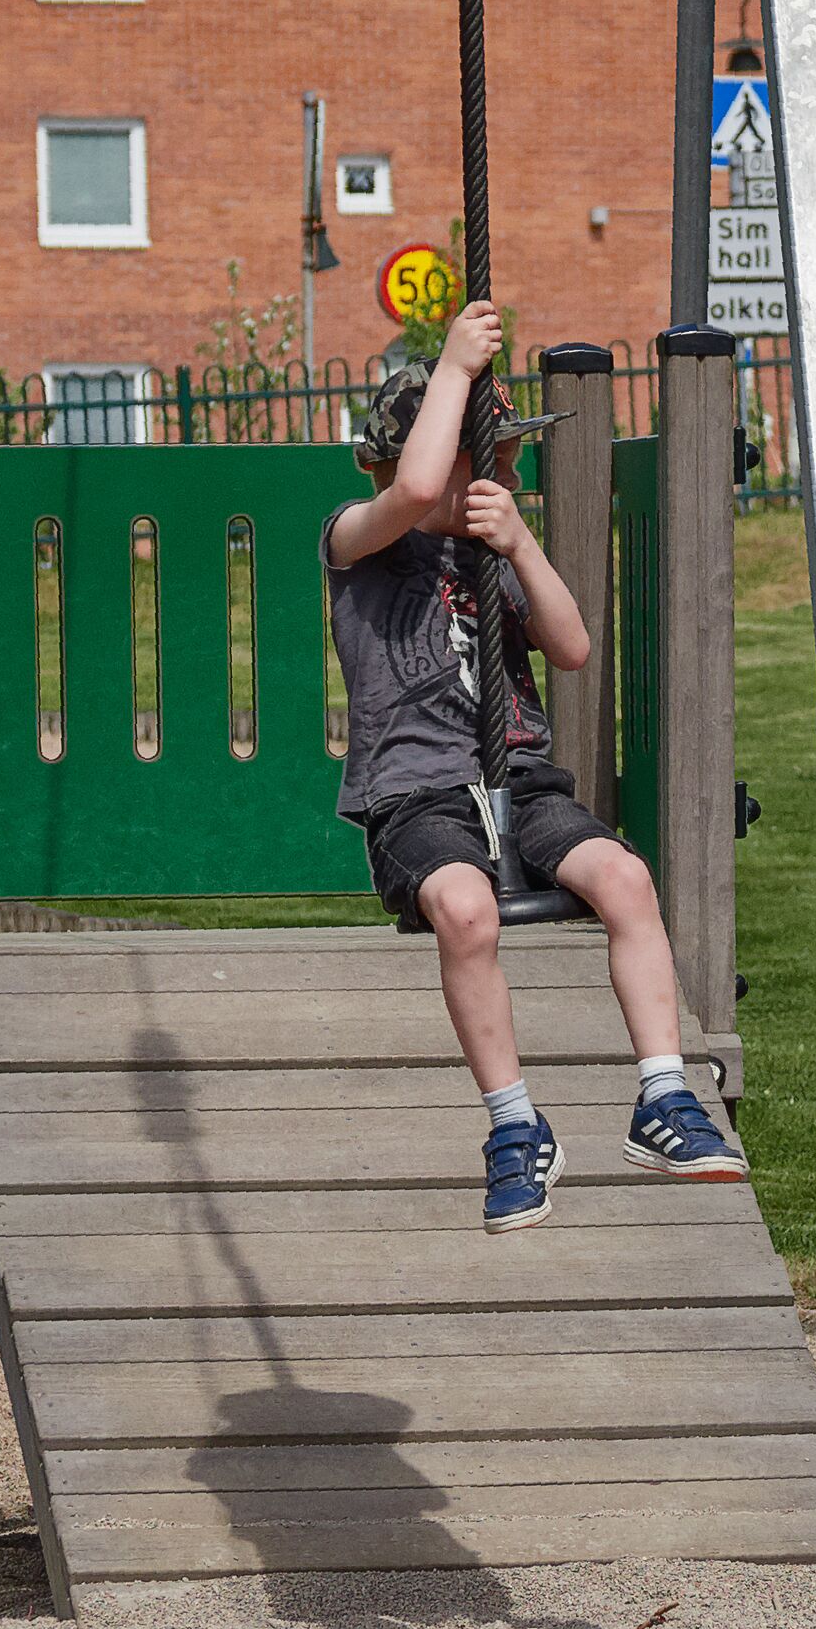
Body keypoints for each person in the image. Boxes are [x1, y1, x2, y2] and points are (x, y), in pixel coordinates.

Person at [325, 298, 747, 1231]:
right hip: (418, 799)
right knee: (465, 910)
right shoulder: (359, 542)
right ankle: (514, 1125)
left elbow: (573, 648)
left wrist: (518, 541)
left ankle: (663, 1096)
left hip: (520, 783)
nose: (514, 471)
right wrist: (451, 367)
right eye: (498, 454)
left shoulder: (495, 550)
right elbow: (416, 485)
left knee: (627, 879)